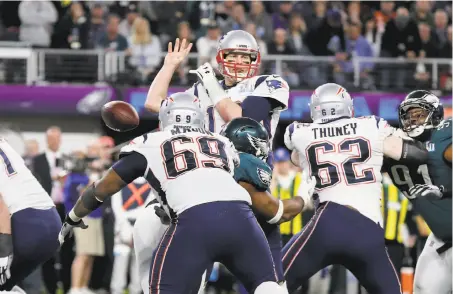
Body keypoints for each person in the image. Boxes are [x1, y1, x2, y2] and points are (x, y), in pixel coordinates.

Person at [58, 92, 286, 294]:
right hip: (242, 219)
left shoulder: (148, 142)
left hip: (195, 221)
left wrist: (73, 217)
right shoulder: (222, 142)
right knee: (267, 286)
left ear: (164, 116)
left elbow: (101, 189)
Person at [145, 32, 291, 288]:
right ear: (221, 58)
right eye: (233, 55)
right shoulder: (200, 89)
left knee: (271, 279)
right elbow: (154, 104)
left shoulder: (267, 83)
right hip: (207, 182)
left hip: (250, 183)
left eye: (245, 57)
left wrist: (212, 85)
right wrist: (169, 66)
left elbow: (242, 121)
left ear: (255, 60)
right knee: (193, 275)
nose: (238, 62)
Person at [282, 83, 430, 293]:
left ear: (315, 108)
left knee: (274, 283)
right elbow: (417, 154)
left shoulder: (298, 132)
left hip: (327, 224)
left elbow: (296, 158)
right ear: (348, 106)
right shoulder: (372, 125)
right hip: (369, 231)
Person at [383, 90, 452, 294]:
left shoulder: (443, 137)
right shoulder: (396, 144)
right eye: (409, 115)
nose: (413, 120)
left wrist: (443, 189)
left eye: (419, 114)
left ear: (435, 115)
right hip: (439, 240)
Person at [0, 138, 61, 291]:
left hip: (24, 221)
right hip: (51, 221)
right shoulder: (5, 144)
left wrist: (4, 253)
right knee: (6, 286)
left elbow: (1, 207)